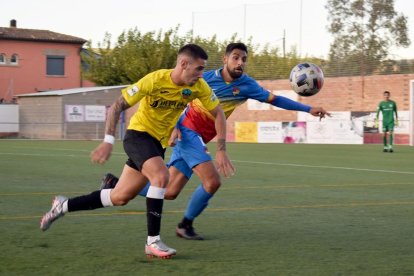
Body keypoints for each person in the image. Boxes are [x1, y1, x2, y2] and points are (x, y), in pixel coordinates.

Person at [101, 42, 330, 240]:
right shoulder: (204, 78)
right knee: (212, 181)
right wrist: (175, 127)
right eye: (236, 57)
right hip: (189, 133)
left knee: (170, 191)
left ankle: (116, 185)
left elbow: (276, 99)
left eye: (244, 59)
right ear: (225, 59)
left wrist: (308, 108)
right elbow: (179, 98)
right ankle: (185, 225)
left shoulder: (248, 85)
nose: (240, 62)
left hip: (199, 138)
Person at [39, 44, 234, 258]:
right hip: (138, 136)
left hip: (156, 144)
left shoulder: (199, 87)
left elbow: (219, 114)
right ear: (183, 64)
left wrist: (221, 149)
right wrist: (108, 141)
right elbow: (117, 105)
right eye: (198, 68)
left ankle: (62, 205)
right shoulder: (154, 80)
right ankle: (153, 242)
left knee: (120, 197)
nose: (201, 74)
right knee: (161, 177)